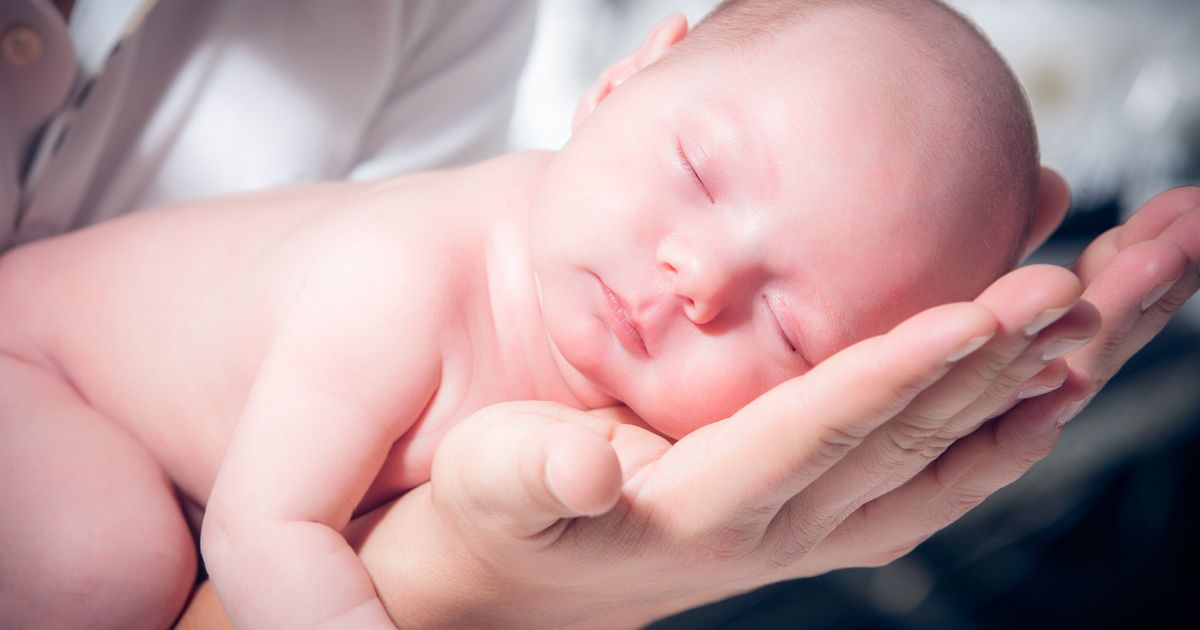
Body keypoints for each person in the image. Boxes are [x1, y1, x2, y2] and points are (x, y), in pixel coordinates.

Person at [2, 2, 1198, 629]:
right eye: (697, 170)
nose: (699, 277)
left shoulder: (630, 387)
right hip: (36, 369)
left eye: (789, 331)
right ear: (621, 81)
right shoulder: (404, 279)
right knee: (113, 569)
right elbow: (265, 537)